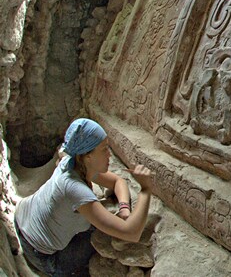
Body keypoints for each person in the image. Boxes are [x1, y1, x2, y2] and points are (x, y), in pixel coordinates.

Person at [13, 118, 153, 276]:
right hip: (40, 254)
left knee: (98, 221)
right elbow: (132, 233)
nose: (109, 155)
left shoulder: (71, 161)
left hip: (22, 216)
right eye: (104, 149)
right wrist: (146, 189)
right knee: (98, 236)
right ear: (88, 156)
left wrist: (124, 209)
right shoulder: (76, 190)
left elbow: (117, 181)